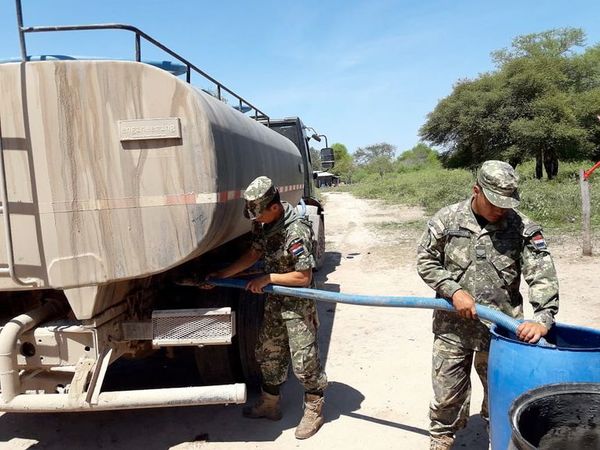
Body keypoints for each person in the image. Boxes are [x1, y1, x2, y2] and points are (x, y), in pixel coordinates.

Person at [416, 160, 559, 450]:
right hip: (452, 329)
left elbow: (542, 276)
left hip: (500, 332)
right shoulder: (447, 220)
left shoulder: (524, 228)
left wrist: (542, 318)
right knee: (446, 395)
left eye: (506, 204)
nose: (500, 210)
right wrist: (453, 290)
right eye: (494, 203)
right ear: (476, 190)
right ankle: (442, 439)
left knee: (501, 396)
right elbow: (425, 260)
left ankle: (499, 438)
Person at [207, 176, 328, 440]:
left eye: (259, 214)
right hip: (276, 299)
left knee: (304, 360)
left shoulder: (296, 230)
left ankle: (314, 408)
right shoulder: (264, 223)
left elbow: (302, 277)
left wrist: (268, 278)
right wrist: (224, 275)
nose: (255, 220)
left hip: (297, 302)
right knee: (267, 351)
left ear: (274, 208)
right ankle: (270, 404)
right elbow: (254, 253)